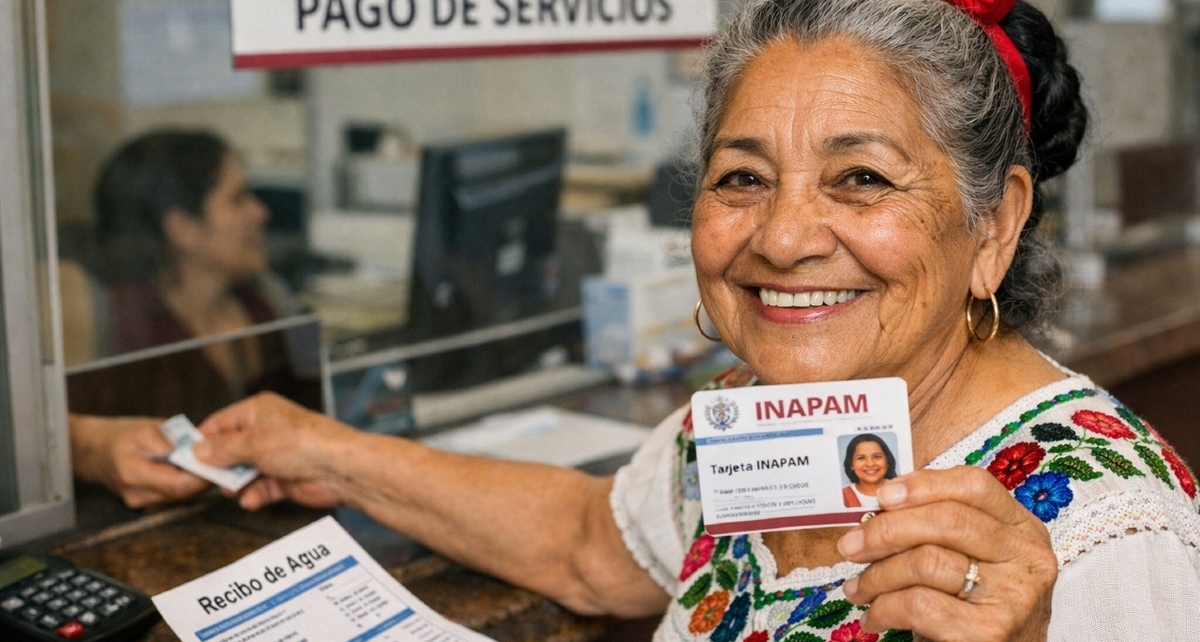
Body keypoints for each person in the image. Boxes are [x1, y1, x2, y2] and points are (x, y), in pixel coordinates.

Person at [193, 0, 1200, 639]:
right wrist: (326, 450)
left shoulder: (1109, 531)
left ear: (995, 225)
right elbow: (592, 542)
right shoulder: (762, 423)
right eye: (742, 178)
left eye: (859, 178)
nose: (784, 236)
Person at [68, 130, 310, 509]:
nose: (260, 213)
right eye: (237, 199)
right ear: (182, 228)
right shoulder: (118, 325)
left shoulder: (268, 302)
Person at [842, 435, 898, 509]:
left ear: (887, 461)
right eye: (861, 458)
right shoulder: (842, 496)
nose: (870, 464)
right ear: (851, 464)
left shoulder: (900, 490)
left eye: (877, 456)